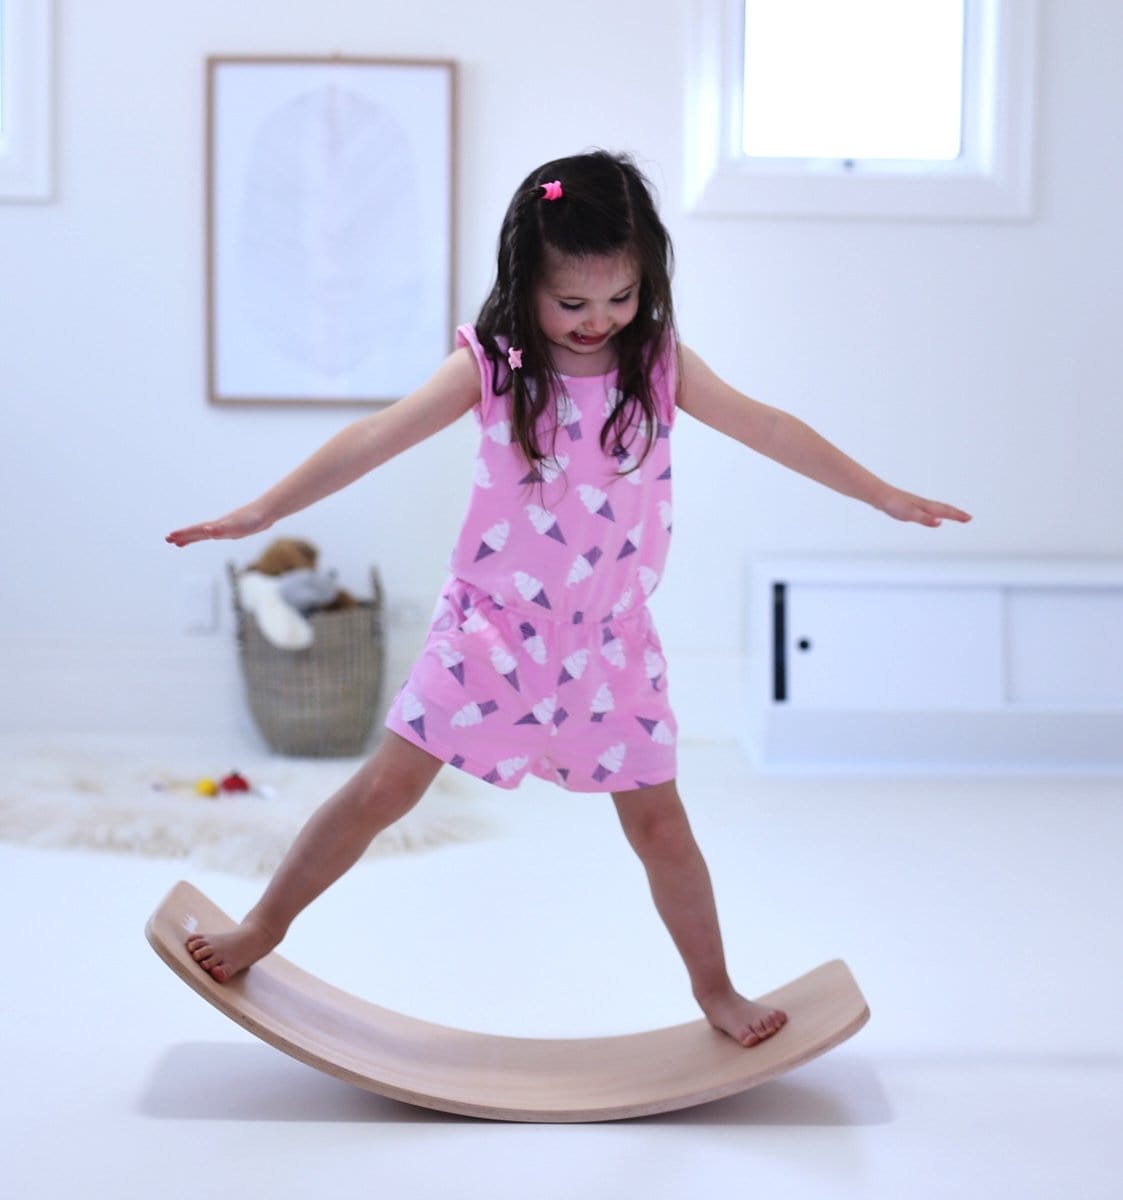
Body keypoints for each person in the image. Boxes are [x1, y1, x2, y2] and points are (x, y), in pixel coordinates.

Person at [167, 151, 970, 1048]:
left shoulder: (657, 364)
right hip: (488, 633)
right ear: (526, 283)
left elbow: (769, 427)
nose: (597, 322)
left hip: (610, 644)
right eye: (571, 302)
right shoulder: (493, 365)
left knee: (660, 824)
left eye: (620, 297)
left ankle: (716, 990)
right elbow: (375, 436)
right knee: (383, 788)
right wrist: (262, 512)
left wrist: (880, 494)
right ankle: (262, 928)